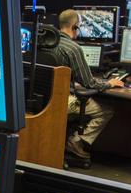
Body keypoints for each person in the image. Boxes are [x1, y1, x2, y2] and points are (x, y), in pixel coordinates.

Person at [44, 9, 125, 164]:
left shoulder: (45, 43)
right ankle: (76, 142)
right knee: (106, 111)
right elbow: (89, 83)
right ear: (75, 27)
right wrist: (110, 83)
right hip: (63, 101)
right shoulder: (73, 48)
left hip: (43, 99)